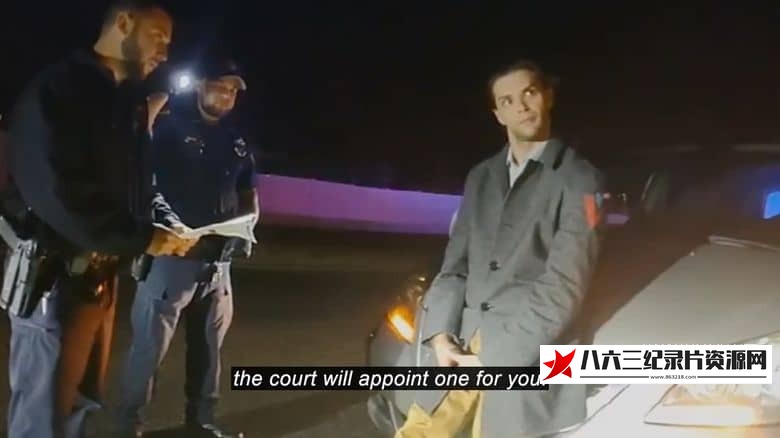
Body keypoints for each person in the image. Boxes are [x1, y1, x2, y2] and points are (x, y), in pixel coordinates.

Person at [2, 1, 197, 437]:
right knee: (43, 417)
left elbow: (128, 187)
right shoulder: (60, 90)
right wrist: (140, 238)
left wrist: (154, 227)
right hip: (55, 282)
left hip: (98, 279)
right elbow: (58, 194)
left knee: (81, 403)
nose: (165, 53)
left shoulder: (120, 100)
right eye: (157, 37)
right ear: (123, 24)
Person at [395, 60, 606, 437]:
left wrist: (496, 360)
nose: (521, 107)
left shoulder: (580, 179)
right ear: (498, 114)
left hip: (523, 350)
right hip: (460, 345)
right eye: (507, 101)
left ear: (548, 97)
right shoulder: (481, 177)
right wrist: (440, 334)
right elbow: (454, 266)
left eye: (529, 93)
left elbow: (564, 286)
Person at [116, 55, 258, 438]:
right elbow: (140, 178)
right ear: (200, 86)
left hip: (218, 264)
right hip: (171, 258)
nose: (227, 95)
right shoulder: (168, 127)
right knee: (149, 350)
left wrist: (249, 222)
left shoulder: (236, 141)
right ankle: (129, 424)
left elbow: (247, 188)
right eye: (220, 87)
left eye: (233, 91)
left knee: (209, 350)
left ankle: (202, 419)